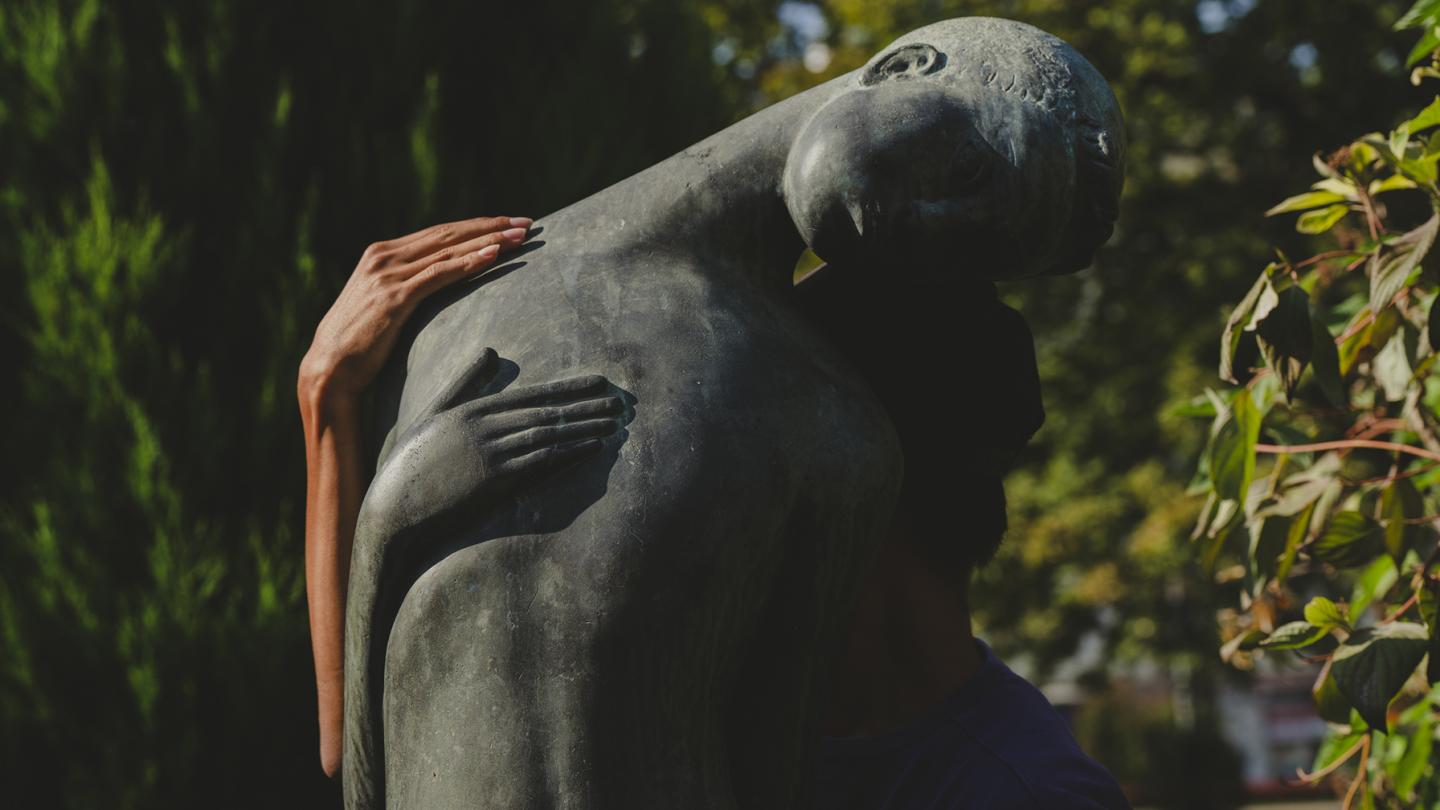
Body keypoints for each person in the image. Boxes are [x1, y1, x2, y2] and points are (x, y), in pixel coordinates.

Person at [300, 215, 1131, 808]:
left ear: (851, 455)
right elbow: (364, 759)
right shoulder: (731, 707)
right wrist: (333, 413)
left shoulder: (1023, 790)